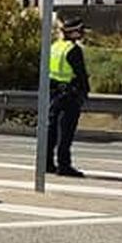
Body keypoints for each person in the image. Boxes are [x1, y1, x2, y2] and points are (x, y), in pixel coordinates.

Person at [47, 16, 90, 177]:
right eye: (80, 30)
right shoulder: (73, 50)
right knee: (65, 131)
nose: (82, 33)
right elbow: (81, 74)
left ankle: (47, 163)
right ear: (73, 33)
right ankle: (64, 165)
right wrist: (84, 92)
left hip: (53, 93)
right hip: (69, 94)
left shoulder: (54, 46)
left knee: (51, 129)